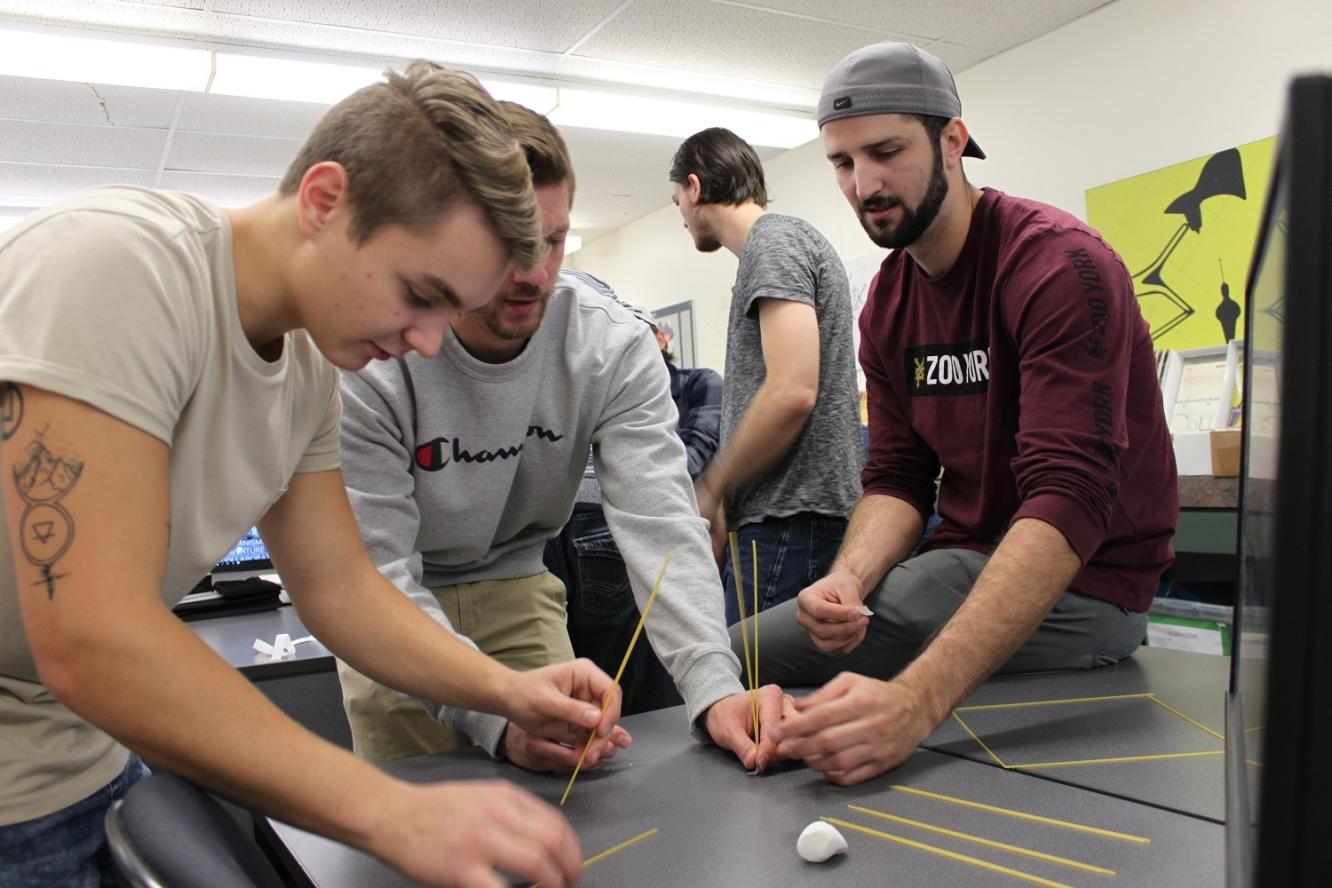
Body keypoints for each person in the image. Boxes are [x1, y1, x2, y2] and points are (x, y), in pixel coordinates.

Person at [0, 62, 625, 888]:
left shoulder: (306, 366)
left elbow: (339, 587)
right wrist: (389, 811)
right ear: (325, 200)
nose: (431, 343)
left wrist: (507, 690)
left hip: (91, 762)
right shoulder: (119, 268)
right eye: (420, 294)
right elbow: (91, 638)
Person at [753, 42, 1178, 786]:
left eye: (886, 151)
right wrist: (849, 579)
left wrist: (915, 704)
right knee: (757, 655)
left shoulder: (1057, 267)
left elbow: (1069, 496)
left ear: (953, 141)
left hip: (1089, 588)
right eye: (843, 163)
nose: (864, 183)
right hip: (965, 563)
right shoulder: (887, 302)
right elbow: (898, 477)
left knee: (758, 653)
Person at [336, 103, 779, 773]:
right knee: (414, 830)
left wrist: (716, 686)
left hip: (519, 584)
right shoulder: (372, 355)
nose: (533, 273)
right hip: (393, 606)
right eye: (506, 241)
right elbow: (373, 577)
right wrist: (490, 716)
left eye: (552, 240)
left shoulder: (608, 343)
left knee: (572, 800)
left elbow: (662, 523)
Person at [668, 127, 863, 625]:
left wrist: (711, 489)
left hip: (791, 524)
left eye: (677, 204)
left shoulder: (773, 243)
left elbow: (792, 392)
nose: (683, 220)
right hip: (786, 520)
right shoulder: (777, 246)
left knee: (760, 700)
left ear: (695, 187)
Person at [546, 295, 723, 714]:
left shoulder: (696, 382)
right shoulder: (604, 328)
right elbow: (674, 471)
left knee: (613, 702)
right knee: (609, 704)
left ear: (662, 339)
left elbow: (687, 459)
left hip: (608, 523)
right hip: (588, 522)